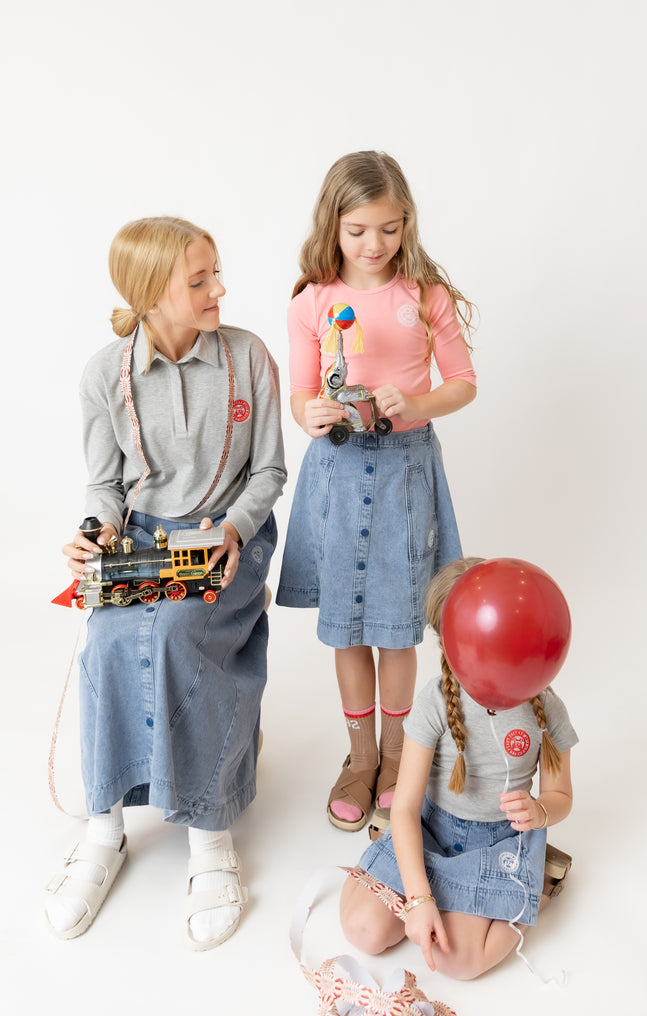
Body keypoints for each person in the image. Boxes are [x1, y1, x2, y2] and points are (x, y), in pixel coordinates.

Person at [44, 217, 286, 950]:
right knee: (106, 643)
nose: (219, 289)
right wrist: (96, 532)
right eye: (200, 279)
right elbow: (105, 483)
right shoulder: (101, 375)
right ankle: (104, 828)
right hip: (144, 542)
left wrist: (232, 532)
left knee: (183, 633)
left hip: (228, 539)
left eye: (217, 273)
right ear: (151, 296)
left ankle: (211, 838)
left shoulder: (249, 358)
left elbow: (270, 473)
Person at [276, 151, 477, 837]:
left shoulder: (425, 295)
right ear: (333, 224)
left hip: (402, 474)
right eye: (359, 230)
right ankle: (359, 759)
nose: (374, 244)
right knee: (347, 629)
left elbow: (463, 383)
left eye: (389, 229)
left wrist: (415, 398)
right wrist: (308, 413)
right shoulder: (313, 302)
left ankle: (396, 759)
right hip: (337, 472)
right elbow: (301, 392)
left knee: (395, 627)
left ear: (406, 223)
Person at [339, 557, 578, 980]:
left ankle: (532, 888)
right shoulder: (435, 702)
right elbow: (406, 808)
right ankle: (463, 896)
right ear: (451, 642)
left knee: (458, 963)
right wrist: (418, 900)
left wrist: (541, 811)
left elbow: (561, 796)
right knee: (363, 929)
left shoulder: (545, 705)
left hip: (500, 840)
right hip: (432, 829)